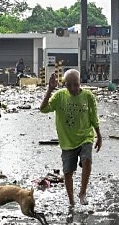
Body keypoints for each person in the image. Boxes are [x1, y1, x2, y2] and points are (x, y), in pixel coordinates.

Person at [40, 69, 102, 206]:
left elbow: (93, 118)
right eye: (69, 85)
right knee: (68, 172)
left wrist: (99, 135)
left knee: (87, 161)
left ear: (80, 83)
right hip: (67, 141)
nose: (73, 88)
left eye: (76, 84)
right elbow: (43, 108)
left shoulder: (88, 96)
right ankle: (71, 201)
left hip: (86, 136)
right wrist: (50, 89)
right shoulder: (59, 96)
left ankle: (82, 193)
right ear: (64, 84)